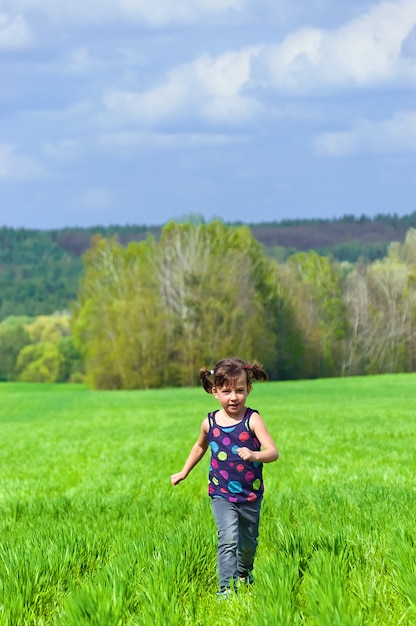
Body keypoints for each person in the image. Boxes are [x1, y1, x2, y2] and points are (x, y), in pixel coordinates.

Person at [170, 356, 279, 598]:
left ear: (248, 390)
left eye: (240, 391)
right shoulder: (209, 423)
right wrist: (183, 472)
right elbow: (199, 447)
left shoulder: (253, 419)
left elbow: (273, 452)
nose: (234, 397)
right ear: (214, 391)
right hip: (221, 494)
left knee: (248, 545)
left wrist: (254, 454)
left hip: (250, 495)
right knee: (228, 538)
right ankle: (226, 589)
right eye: (227, 391)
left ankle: (244, 572)